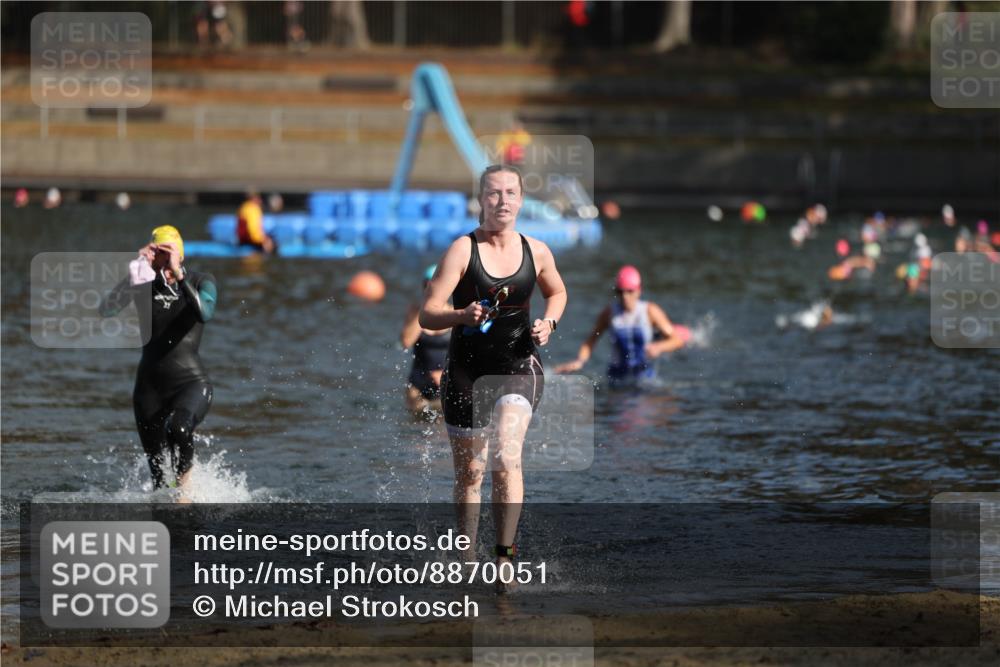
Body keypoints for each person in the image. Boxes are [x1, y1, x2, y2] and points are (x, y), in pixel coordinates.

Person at [419, 165, 567, 588]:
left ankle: (504, 558)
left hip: (518, 366)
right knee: (470, 473)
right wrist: (460, 315)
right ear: (482, 200)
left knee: (506, 452)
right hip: (465, 370)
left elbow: (557, 292)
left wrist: (550, 323)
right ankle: (466, 556)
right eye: (494, 194)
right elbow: (429, 313)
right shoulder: (461, 251)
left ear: (521, 200)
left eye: (510, 193)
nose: (502, 202)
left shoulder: (536, 251)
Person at [101, 226, 217, 501]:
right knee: (158, 480)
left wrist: (178, 272)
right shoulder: (142, 284)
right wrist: (136, 270)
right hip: (149, 390)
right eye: (159, 254)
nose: (163, 261)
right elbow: (107, 310)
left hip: (190, 383)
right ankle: (168, 529)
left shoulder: (201, 281)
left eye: (168, 253)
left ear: (180, 254)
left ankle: (186, 494)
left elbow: (204, 313)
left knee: (179, 429)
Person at [555, 265, 686, 384]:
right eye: (620, 292)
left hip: (645, 377)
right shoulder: (609, 313)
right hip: (616, 378)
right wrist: (580, 361)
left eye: (630, 291)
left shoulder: (650, 311)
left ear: (639, 291)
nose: (625, 296)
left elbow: (677, 340)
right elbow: (590, 341)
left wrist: (659, 347)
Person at [401, 265, 450, 415]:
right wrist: (423, 310)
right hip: (418, 385)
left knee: (442, 428)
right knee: (417, 421)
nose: (433, 290)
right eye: (428, 286)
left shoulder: (456, 313)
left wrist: (445, 375)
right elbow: (406, 342)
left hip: (446, 382)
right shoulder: (415, 312)